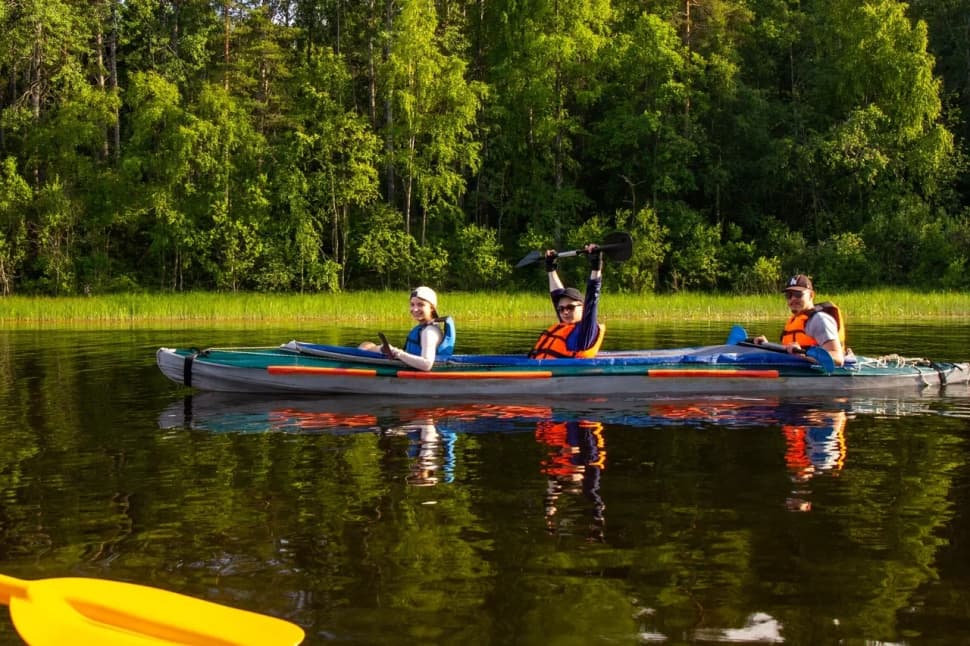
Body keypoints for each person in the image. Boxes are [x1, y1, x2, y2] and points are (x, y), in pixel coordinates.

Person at [529, 243, 606, 359]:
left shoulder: (585, 332)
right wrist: (551, 268)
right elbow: (556, 294)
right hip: (539, 366)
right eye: (561, 309)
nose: (565, 312)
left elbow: (593, 295)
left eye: (570, 307)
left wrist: (596, 264)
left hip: (567, 369)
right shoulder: (565, 325)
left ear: (583, 308)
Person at [753, 274, 846, 367]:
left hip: (818, 374)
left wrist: (803, 355)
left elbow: (838, 359)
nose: (793, 299)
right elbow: (788, 351)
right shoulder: (794, 320)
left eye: (798, 294)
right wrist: (767, 345)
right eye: (789, 295)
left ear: (811, 295)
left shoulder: (820, 320)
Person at [359, 286, 453, 371]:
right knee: (366, 345)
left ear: (432, 308)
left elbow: (426, 364)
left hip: (416, 371)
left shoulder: (429, 332)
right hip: (408, 364)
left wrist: (396, 352)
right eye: (412, 304)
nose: (415, 309)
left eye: (420, 304)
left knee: (364, 348)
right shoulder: (425, 327)